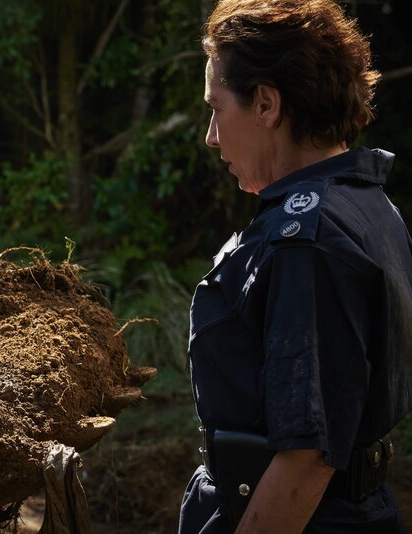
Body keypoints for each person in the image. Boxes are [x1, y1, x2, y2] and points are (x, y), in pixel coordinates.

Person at [179, 0, 412, 532]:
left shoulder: (305, 242)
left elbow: (306, 459)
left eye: (217, 108)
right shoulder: (365, 205)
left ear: (266, 104)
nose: (211, 135)